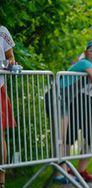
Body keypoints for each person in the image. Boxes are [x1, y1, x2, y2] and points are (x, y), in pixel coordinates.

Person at [55, 40, 92, 184]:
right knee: (65, 136)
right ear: (85, 52)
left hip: (73, 100)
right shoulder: (86, 62)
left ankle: (77, 171)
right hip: (67, 98)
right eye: (91, 51)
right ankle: (63, 170)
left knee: (91, 136)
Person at [0, 25, 17, 188]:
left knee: (0, 135)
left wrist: (11, 63)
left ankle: (1, 182)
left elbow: (10, 57)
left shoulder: (2, 31)